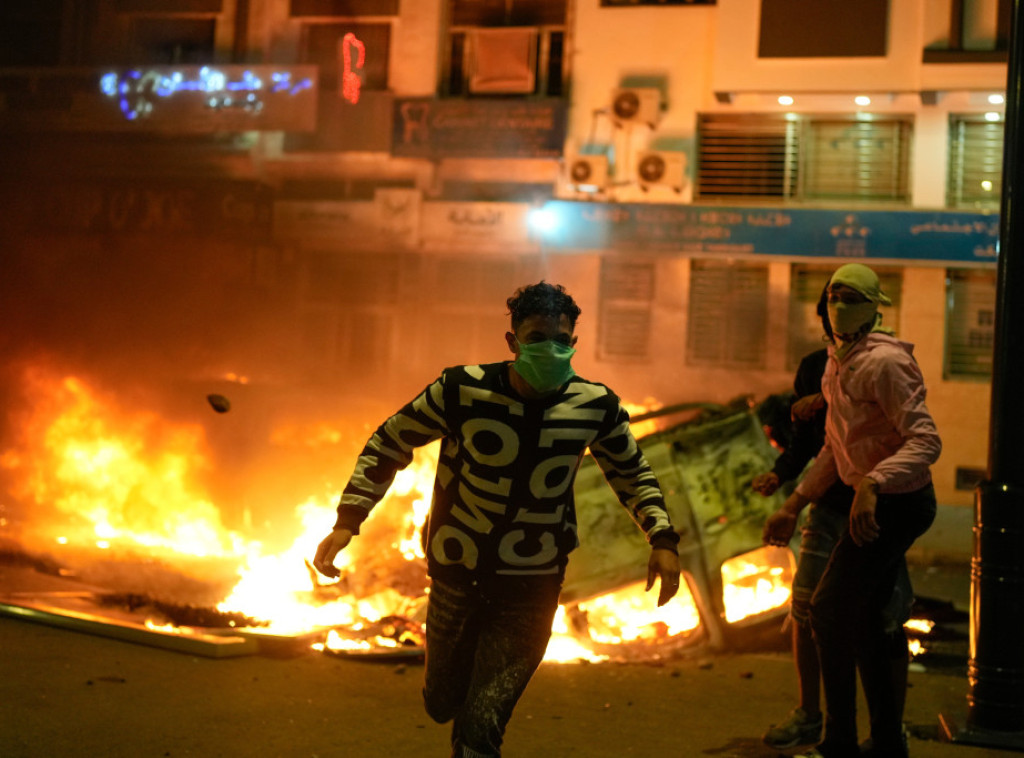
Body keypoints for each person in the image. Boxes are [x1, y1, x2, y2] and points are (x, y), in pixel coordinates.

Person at [312, 281, 682, 758]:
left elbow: (631, 471)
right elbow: (390, 441)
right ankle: (460, 712)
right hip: (455, 573)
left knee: (483, 722)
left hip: (534, 584)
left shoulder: (595, 405)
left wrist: (663, 539)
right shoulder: (460, 389)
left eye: (561, 339)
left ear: (574, 343)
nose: (550, 348)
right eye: (536, 336)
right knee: (443, 702)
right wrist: (348, 520)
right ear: (512, 342)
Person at [764, 263, 941, 758]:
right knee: (864, 621)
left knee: (827, 610)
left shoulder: (885, 363)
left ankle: (837, 742)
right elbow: (834, 450)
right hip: (872, 502)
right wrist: (795, 503)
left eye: (850, 296)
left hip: (899, 505)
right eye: (832, 295)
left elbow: (926, 439)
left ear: (874, 304)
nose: (838, 305)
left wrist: (872, 482)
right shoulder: (836, 362)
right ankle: (885, 742)